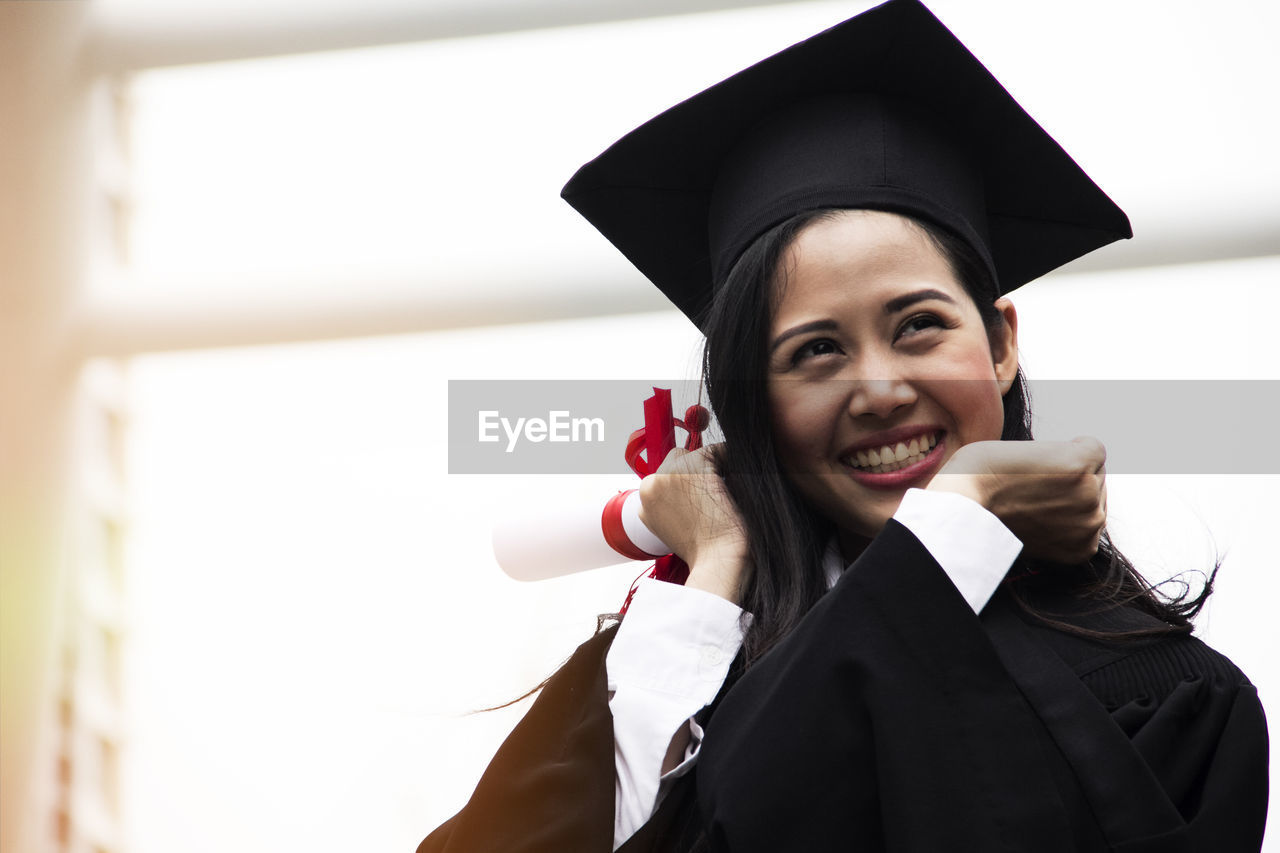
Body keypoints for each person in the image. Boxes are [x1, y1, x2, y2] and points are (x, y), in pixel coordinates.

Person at [418, 1, 1269, 850]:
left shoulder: (1160, 699)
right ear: (755, 407)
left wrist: (951, 528)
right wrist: (714, 573)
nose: (879, 390)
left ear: (1002, 342)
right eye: (815, 350)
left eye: (919, 325)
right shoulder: (658, 664)